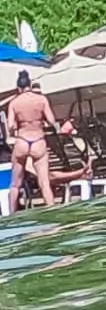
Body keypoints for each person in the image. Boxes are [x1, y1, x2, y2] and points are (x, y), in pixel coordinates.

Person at [3, 73, 51, 212]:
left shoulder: (14, 103)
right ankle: (54, 212)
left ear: (18, 88)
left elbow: (11, 126)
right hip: (38, 140)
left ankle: (11, 216)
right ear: (30, 85)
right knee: (45, 184)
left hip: (22, 141)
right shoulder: (41, 99)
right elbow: (51, 120)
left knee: (15, 185)